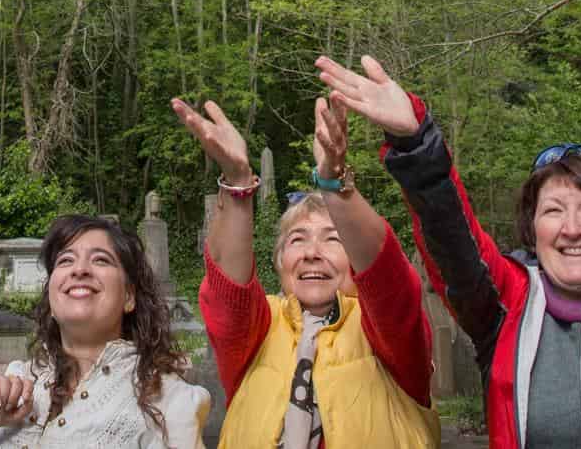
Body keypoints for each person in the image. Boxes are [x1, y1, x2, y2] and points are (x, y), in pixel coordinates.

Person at [322, 44, 581, 449]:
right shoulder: (507, 307)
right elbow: (454, 245)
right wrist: (415, 144)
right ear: (532, 229)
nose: (572, 229)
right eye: (553, 210)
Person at [172, 93, 439, 447]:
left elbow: (390, 282)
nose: (312, 253)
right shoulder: (260, 326)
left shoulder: (387, 334)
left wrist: (335, 183)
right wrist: (237, 180)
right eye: (298, 239)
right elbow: (227, 291)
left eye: (333, 239)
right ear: (281, 261)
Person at [0, 214, 209, 448]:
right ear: (51, 297)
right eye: (65, 260)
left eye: (100, 260)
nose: (79, 270)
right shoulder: (18, 381)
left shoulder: (170, 400)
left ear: (129, 297)